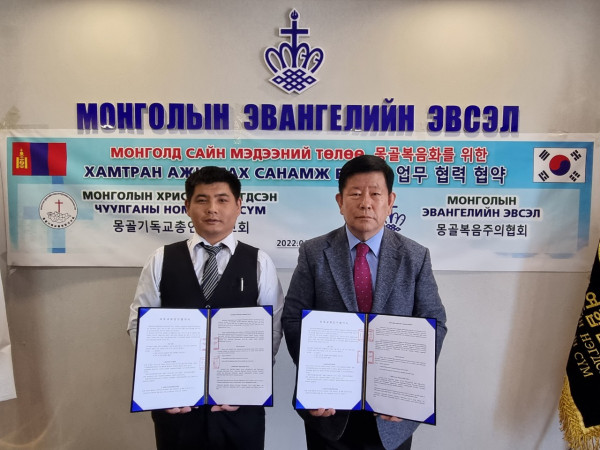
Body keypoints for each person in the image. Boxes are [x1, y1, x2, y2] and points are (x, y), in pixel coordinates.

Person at [282, 155, 447, 450]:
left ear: (390, 201)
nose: (366, 203)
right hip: (330, 409)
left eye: (375, 194)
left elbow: (434, 323)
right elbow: (293, 317)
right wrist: (314, 378)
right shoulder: (314, 252)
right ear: (340, 201)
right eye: (356, 194)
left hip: (392, 412)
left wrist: (408, 387)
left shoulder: (415, 256)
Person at [127, 166, 284, 450]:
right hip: (177, 406)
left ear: (238, 205)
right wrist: (162, 384)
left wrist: (247, 384)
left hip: (239, 408)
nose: (212, 209)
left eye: (222, 200)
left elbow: (272, 329)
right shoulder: (161, 259)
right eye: (202, 200)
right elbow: (139, 324)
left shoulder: (260, 262)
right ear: (187, 206)